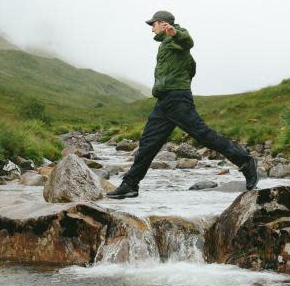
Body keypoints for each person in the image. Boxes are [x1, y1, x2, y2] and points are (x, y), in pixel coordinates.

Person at [107, 10, 259, 199]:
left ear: (163, 24)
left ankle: (246, 162)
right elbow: (191, 67)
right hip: (164, 101)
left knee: (203, 134)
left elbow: (188, 42)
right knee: (148, 143)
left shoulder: (175, 37)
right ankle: (130, 184)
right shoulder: (165, 45)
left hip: (177, 99)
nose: (151, 29)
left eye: (153, 24)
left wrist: (174, 34)